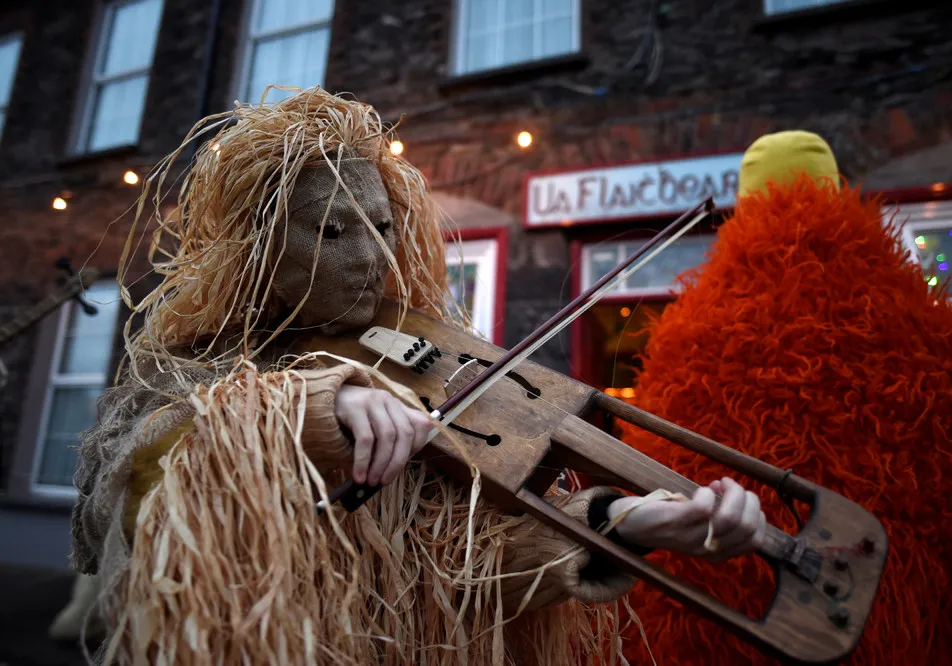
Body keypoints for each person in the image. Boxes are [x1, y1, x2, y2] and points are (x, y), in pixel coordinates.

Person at [69, 88, 766, 665]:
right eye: (334, 232)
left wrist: (622, 522)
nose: (374, 255)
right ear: (256, 249)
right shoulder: (188, 367)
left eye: (382, 225)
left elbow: (459, 568)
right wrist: (305, 407)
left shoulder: (417, 355)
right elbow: (131, 495)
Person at [619, 130, 952, 666]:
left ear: (742, 202)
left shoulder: (694, 329)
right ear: (835, 187)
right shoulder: (918, 317)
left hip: (739, 615)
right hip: (909, 608)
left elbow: (655, 461)